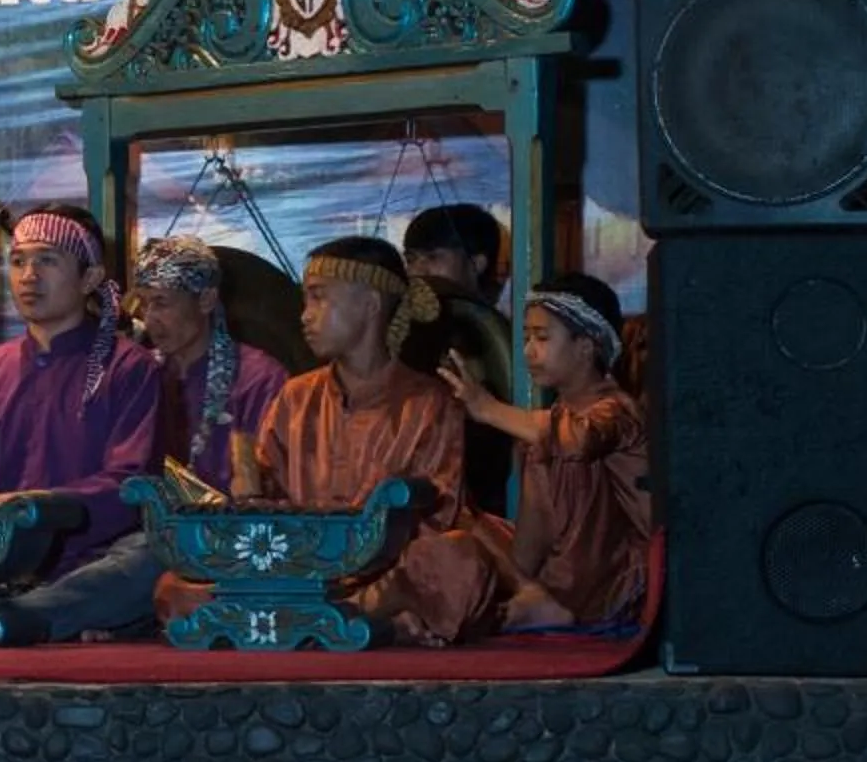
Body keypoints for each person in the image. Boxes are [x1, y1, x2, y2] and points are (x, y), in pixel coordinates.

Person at [160, 235, 496, 646]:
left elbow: (437, 516)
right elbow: (266, 504)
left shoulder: (429, 402)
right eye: (305, 300)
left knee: (456, 559)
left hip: (382, 577)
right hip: (296, 576)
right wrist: (247, 490)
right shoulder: (296, 396)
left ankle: (312, 620)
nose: (305, 315)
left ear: (371, 304)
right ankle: (356, 623)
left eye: (319, 299)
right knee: (171, 585)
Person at [8, 235, 289, 641]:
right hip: (138, 536)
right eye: (141, 303)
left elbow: (274, 490)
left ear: (207, 300)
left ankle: (25, 617)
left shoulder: (259, 378)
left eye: (162, 303)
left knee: (147, 555)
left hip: (224, 544)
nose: (148, 318)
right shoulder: (134, 371)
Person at [0, 204, 162, 577]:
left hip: (91, 563)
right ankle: (28, 613)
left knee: (147, 558)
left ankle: (27, 614)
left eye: (48, 261)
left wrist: (36, 509)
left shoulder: (129, 367)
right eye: (18, 261)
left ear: (90, 278)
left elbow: (129, 487)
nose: (29, 276)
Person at [438, 272, 653, 630]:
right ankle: (533, 593)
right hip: (554, 570)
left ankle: (556, 602)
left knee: (563, 448)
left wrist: (488, 409)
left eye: (541, 337)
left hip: (616, 577)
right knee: (460, 519)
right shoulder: (553, 420)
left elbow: (577, 441)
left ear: (586, 346)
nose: (528, 351)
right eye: (525, 338)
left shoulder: (617, 411)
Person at [402, 201, 516, 515]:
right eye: (411, 260)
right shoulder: (400, 331)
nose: (419, 271)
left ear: (477, 263)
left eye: (434, 258)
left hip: (486, 490)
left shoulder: (507, 337)